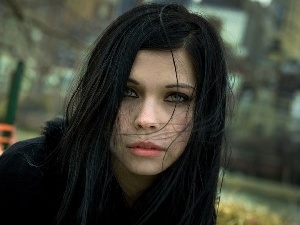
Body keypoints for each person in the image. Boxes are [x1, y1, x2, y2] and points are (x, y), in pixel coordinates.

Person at [0, 3, 229, 225]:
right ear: (99, 94)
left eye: (177, 97)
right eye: (127, 92)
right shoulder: (25, 174)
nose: (146, 120)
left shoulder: (193, 208)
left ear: (204, 110)